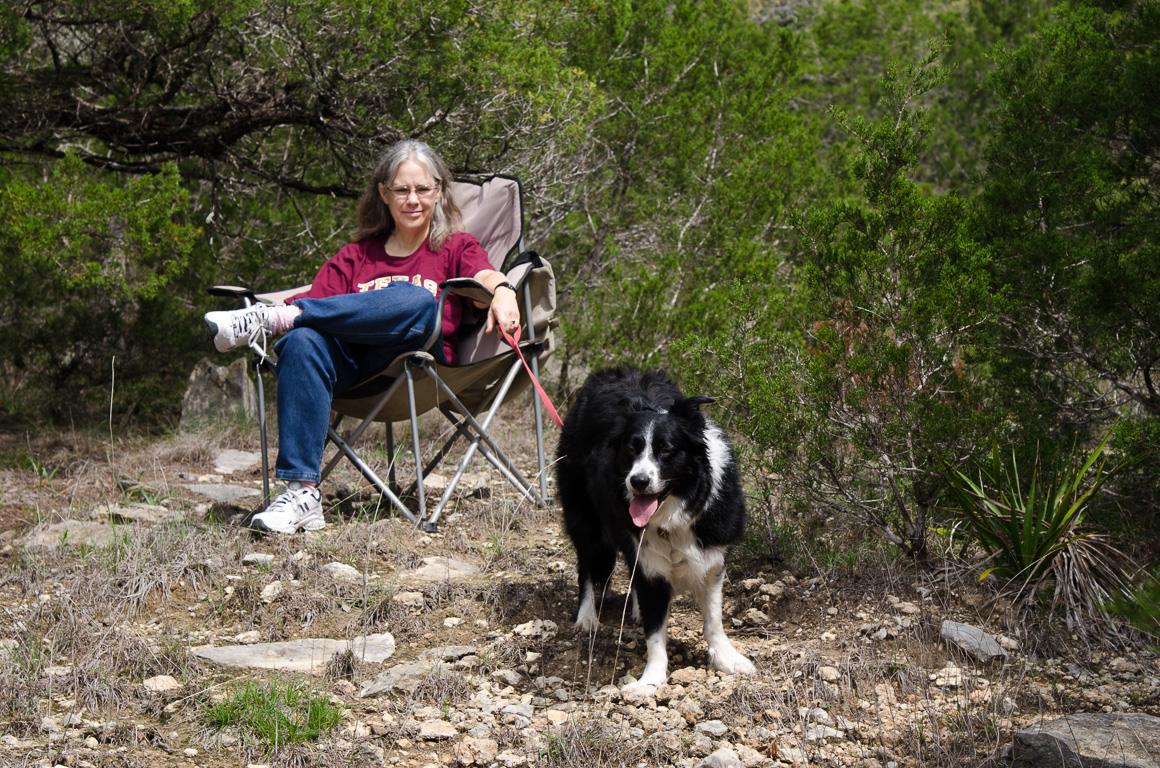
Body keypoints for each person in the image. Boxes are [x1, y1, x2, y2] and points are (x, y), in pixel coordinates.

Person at [204, 140, 521, 534]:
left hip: (420, 362)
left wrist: (505, 291)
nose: (413, 200)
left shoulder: (454, 246)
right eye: (402, 189)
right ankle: (302, 494)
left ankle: (275, 318)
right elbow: (319, 304)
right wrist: (305, 319)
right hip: (355, 367)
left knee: (421, 299)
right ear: (384, 194)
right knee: (301, 341)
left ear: (439, 192)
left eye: (423, 189)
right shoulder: (356, 256)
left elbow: (485, 275)